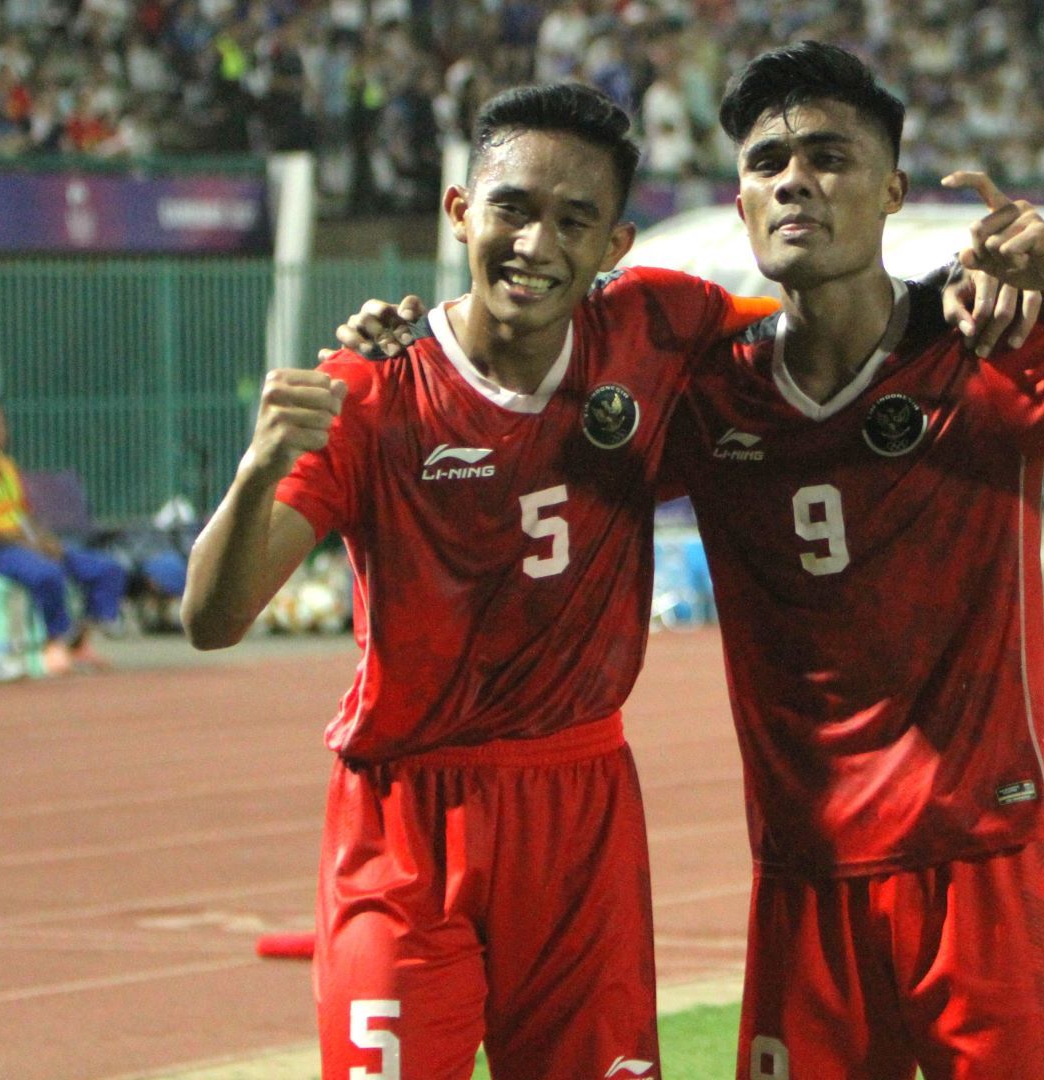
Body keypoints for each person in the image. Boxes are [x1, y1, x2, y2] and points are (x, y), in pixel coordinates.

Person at [356, 43, 1044, 1080]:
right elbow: (511, 412)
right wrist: (413, 348)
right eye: (767, 162)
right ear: (742, 206)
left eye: (829, 157)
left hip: (979, 864)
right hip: (806, 875)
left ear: (892, 192)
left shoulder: (984, 348)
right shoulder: (704, 391)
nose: (793, 179)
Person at [182, 85, 785, 1080]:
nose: (535, 242)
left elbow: (824, 334)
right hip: (404, 816)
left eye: (573, 220)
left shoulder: (662, 327)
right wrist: (256, 473)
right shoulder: (371, 388)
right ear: (461, 209)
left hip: (580, 811)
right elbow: (212, 616)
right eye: (512, 208)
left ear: (615, 244)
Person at [0, 397, 126, 673]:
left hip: (28, 545)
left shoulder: (6, 465)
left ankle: (79, 640)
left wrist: (45, 540)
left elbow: (24, 514)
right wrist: (24, 542)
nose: (5, 429)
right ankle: (53, 642)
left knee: (107, 570)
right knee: (48, 574)